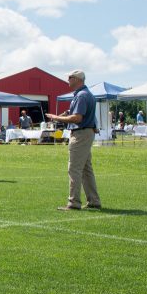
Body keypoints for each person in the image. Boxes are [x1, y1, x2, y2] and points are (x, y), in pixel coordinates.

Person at [48, 70, 102, 211]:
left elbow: (78, 118)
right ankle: (94, 201)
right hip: (86, 133)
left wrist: (56, 117)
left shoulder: (81, 96)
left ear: (77, 79)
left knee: (74, 169)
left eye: (70, 78)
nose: (68, 80)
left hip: (80, 134)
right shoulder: (85, 94)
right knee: (86, 169)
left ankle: (74, 203)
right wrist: (67, 114)